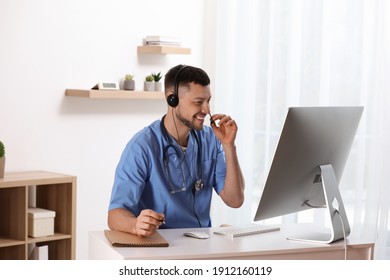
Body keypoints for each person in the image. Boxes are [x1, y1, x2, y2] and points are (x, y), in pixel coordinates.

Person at [108, 64, 245, 237]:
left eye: (208, 101)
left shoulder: (211, 139)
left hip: (201, 242)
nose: (207, 110)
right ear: (172, 99)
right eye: (198, 102)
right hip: (161, 245)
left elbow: (235, 200)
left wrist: (228, 146)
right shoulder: (142, 147)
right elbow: (115, 215)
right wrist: (135, 224)